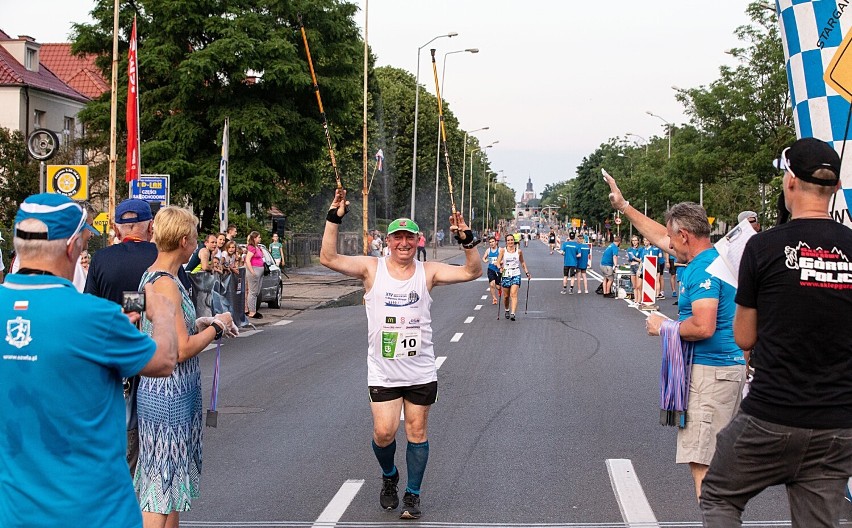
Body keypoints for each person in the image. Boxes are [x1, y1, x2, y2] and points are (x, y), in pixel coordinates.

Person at [0, 193, 178, 528]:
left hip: (15, 513)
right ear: (70, 247)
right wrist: (164, 312)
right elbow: (165, 360)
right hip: (94, 512)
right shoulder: (95, 317)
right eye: (83, 242)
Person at [701, 137, 852, 527]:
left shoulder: (762, 247)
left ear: (789, 183)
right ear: (835, 188)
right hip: (838, 422)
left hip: (771, 415)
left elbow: (745, 338)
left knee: (719, 494)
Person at [320, 188, 481, 520]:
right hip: (383, 371)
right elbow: (329, 258)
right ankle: (390, 477)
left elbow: (472, 272)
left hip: (421, 370)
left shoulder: (429, 271)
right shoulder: (371, 268)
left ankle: (413, 494)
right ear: (388, 241)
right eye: (397, 238)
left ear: (418, 240)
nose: (403, 243)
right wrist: (333, 219)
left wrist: (468, 241)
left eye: (409, 238)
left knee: (417, 433)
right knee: (383, 433)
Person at [604, 173, 745, 500]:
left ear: (685, 236)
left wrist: (663, 326)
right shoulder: (717, 256)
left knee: (704, 465)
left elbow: (703, 326)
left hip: (711, 374)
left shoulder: (702, 270)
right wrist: (624, 206)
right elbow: (659, 236)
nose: (667, 244)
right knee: (717, 461)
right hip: (727, 369)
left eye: (672, 238)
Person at [134, 206, 237, 528]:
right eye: (193, 236)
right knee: (159, 487)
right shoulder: (165, 283)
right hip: (168, 393)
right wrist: (217, 327)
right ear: (184, 241)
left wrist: (199, 324)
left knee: (171, 482)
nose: (196, 242)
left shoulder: (155, 276)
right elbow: (179, 350)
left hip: (166, 391)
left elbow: (159, 332)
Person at [496, 233, 530, 320]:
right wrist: (500, 268)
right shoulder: (503, 251)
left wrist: (527, 272)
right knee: (506, 296)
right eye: (508, 240)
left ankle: (513, 313)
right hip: (506, 273)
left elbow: (522, 262)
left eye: (511, 240)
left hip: (516, 273)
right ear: (506, 242)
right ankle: (507, 309)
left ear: (514, 241)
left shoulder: (519, 251)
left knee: (513, 294)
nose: (510, 242)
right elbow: (498, 262)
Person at [244, 231, 265, 319]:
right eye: (258, 237)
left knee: (256, 291)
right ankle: (252, 311)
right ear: (254, 238)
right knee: (252, 292)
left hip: (260, 270)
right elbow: (248, 260)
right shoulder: (251, 248)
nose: (260, 239)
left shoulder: (258, 247)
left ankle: (254, 309)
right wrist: (252, 271)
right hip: (254, 269)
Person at [482, 236, 501, 304]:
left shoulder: (500, 250)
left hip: (498, 270)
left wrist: (499, 262)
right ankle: (494, 298)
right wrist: (485, 260)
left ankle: (499, 289)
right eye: (490, 242)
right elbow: (483, 258)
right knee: (492, 284)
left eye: (493, 242)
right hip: (491, 269)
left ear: (496, 242)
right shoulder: (488, 250)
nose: (492, 243)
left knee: (498, 286)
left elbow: (504, 260)